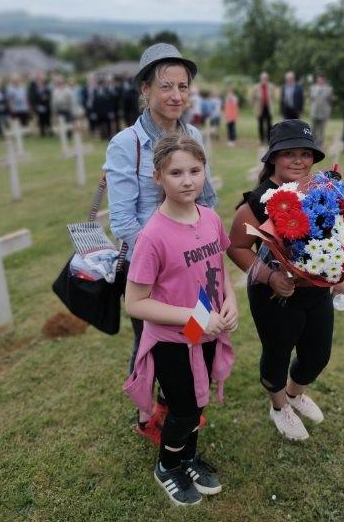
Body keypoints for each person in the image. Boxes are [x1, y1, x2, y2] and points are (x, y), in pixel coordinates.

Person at [104, 43, 217, 443]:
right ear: (145, 89)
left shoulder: (195, 135)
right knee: (150, 338)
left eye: (183, 86)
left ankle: (176, 398)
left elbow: (207, 197)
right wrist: (163, 256)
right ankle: (144, 412)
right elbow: (123, 220)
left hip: (196, 263)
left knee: (192, 332)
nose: (175, 96)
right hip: (150, 269)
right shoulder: (126, 144)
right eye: (165, 86)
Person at [124, 133, 237, 506]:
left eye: (195, 170)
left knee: (197, 403)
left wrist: (231, 301)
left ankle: (187, 457)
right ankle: (168, 465)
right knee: (184, 406)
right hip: (174, 339)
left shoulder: (210, 218)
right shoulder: (153, 236)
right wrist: (191, 316)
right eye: (176, 173)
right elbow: (135, 303)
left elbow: (219, 268)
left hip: (205, 331)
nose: (188, 180)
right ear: (158, 177)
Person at [227, 119, 344, 441]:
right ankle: (280, 406)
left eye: (305, 153)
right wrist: (269, 276)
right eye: (289, 153)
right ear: (272, 158)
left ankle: (295, 394)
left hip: (316, 292)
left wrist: (340, 279)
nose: (299, 160)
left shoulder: (321, 189)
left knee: (317, 355)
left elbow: (334, 237)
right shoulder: (258, 201)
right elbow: (236, 247)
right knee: (278, 353)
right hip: (274, 296)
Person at [309, 73, 333, 147]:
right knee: (313, 129)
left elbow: (330, 100)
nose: (320, 81)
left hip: (323, 112)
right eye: (319, 79)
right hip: (315, 112)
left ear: (324, 80)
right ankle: (312, 144)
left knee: (322, 130)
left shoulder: (329, 89)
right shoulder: (313, 88)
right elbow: (312, 98)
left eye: (322, 79)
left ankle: (320, 145)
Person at [252, 71, 276, 144]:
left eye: (266, 78)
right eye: (263, 78)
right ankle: (261, 140)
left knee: (269, 124)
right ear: (261, 79)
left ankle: (269, 139)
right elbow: (252, 97)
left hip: (268, 108)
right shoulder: (256, 87)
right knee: (260, 124)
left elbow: (273, 97)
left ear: (267, 79)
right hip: (260, 108)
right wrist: (256, 101)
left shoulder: (271, 86)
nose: (264, 79)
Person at [28, 72, 52, 137]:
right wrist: (35, 106)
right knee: (41, 120)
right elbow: (33, 97)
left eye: (41, 79)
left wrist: (46, 98)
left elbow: (49, 95)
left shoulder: (46, 87)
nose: (40, 81)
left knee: (48, 120)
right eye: (39, 79)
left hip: (46, 105)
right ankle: (42, 132)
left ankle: (50, 131)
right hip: (39, 106)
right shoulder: (34, 87)